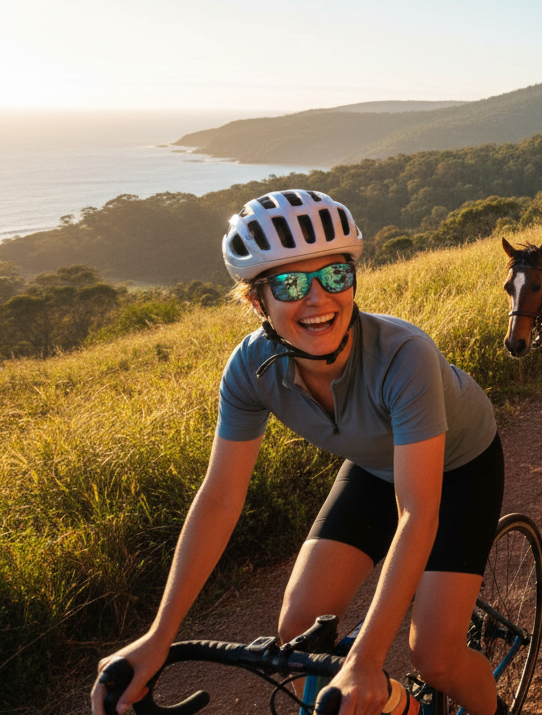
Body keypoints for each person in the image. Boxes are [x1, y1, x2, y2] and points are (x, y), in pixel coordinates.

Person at [92, 190, 506, 715]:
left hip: (461, 467)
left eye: (335, 276)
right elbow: (220, 498)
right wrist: (158, 637)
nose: (318, 300)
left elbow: (417, 512)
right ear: (256, 300)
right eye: (289, 283)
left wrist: (367, 658)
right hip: (379, 468)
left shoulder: (404, 356)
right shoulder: (250, 370)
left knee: (436, 658)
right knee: (299, 630)